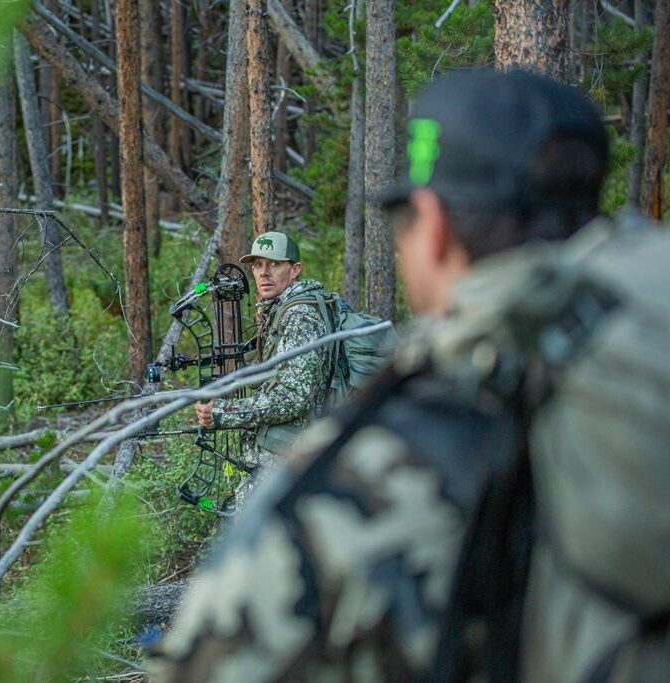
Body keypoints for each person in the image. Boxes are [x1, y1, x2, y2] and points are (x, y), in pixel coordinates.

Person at [150, 68, 670, 681]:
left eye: (403, 222)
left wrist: (228, 415)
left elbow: (207, 663)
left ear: (434, 225)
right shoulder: (639, 345)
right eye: (255, 264)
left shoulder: (370, 469)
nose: (261, 273)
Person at [193, 231, 336, 509]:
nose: (264, 273)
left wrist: (222, 412)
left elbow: (292, 398)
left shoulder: (300, 316)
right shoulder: (283, 310)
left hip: (288, 461)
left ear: (294, 270)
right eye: (258, 265)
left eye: (274, 264)